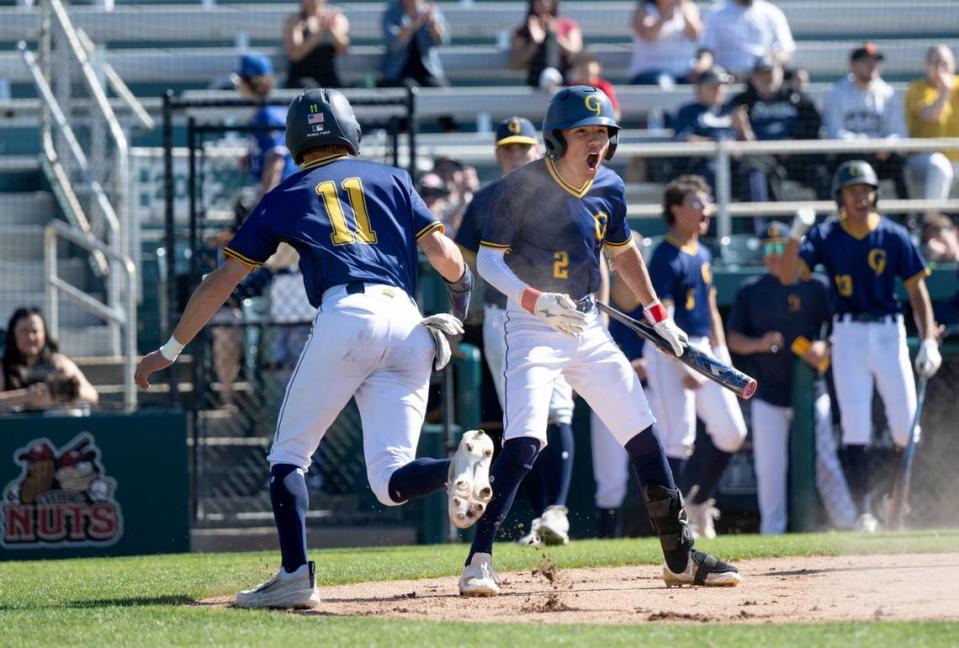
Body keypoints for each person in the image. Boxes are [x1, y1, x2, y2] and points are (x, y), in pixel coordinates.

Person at [135, 88, 484, 609]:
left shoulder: (287, 192)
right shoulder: (393, 178)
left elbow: (221, 281)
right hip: (408, 320)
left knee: (289, 456)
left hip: (347, 315)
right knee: (391, 480)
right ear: (350, 130)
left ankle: (296, 574)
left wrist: (170, 348)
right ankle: (453, 470)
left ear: (297, 140)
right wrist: (459, 305)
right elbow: (443, 256)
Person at [459, 86, 741, 596]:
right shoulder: (519, 187)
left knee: (643, 432)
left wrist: (658, 315)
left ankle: (680, 557)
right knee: (525, 440)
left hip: (586, 323)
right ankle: (479, 558)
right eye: (584, 132)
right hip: (532, 325)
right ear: (557, 138)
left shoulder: (608, 185)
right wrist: (532, 300)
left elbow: (623, 250)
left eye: (602, 133)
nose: (596, 141)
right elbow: (488, 261)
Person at [782, 160, 942, 532]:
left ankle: (896, 503)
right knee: (855, 427)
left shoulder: (894, 234)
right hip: (848, 333)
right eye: (853, 190)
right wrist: (796, 233)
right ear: (840, 197)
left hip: (889, 332)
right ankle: (863, 510)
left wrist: (929, 340)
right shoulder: (826, 235)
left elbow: (918, 291)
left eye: (867, 189)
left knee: (906, 429)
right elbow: (789, 275)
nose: (862, 197)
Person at [455, 116, 577, 547]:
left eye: (522, 146)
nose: (515, 154)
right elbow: (464, 260)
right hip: (500, 316)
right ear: (497, 154)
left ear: (539, 149)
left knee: (558, 409)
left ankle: (556, 511)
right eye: (507, 147)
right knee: (521, 420)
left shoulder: (560, 194)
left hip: (551, 313)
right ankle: (543, 518)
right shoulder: (486, 199)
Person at [726, 222, 857, 534]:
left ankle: (849, 523)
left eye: (780, 247)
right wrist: (758, 343)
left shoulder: (816, 285)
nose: (774, 255)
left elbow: (840, 328)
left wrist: (826, 345)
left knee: (826, 462)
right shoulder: (751, 290)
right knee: (770, 470)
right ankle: (773, 532)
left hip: (812, 391)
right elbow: (733, 338)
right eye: (767, 248)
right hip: (769, 395)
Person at [642, 176, 748, 539]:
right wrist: (679, 362)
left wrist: (722, 357)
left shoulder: (702, 252)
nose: (706, 209)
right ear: (676, 209)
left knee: (733, 433)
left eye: (706, 202)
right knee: (679, 437)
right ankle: (671, 525)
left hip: (704, 347)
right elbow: (662, 317)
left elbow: (713, 308)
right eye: (697, 202)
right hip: (669, 347)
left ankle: (699, 501)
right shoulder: (665, 254)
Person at [728, 56, 829, 209]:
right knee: (752, 167)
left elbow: (813, 127)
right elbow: (733, 139)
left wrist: (794, 144)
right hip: (760, 157)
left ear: (781, 72)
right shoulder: (741, 102)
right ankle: (758, 226)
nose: (766, 78)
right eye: (761, 73)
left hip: (796, 157)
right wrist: (744, 131)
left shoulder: (798, 98)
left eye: (770, 72)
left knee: (821, 171)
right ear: (753, 77)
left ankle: (826, 224)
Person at [823, 43, 911, 201]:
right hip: (849, 156)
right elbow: (835, 133)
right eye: (866, 61)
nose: (872, 66)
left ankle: (909, 219)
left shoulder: (887, 93)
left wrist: (887, 144)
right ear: (852, 65)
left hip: (882, 154)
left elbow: (899, 132)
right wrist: (867, 144)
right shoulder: (836, 93)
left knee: (899, 163)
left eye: (875, 62)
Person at [1, 307, 98, 413]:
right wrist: (26, 397)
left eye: (35, 331)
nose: (31, 337)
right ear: (13, 334)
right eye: (24, 331)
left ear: (44, 333)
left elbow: (92, 395)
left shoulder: (58, 362)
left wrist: (58, 392)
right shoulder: (3, 366)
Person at [905, 45, 959, 203]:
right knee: (940, 166)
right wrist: (945, 91)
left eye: (945, 63)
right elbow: (931, 116)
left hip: (956, 160)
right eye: (936, 63)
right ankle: (931, 221)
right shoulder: (917, 88)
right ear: (926, 66)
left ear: (953, 65)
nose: (941, 68)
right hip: (922, 159)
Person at [701, 0, 795, 79]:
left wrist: (770, 57)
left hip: (763, 75)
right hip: (728, 77)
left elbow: (785, 52)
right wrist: (702, 66)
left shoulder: (772, 12)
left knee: (797, 76)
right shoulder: (716, 13)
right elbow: (707, 50)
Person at [629, 0, 704, 87]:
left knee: (708, 81)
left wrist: (686, 15)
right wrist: (664, 17)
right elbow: (647, 36)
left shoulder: (689, 7)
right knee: (663, 83)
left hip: (686, 72)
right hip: (650, 73)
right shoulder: (644, 9)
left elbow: (695, 34)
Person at [511, 0, 582, 89]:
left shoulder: (568, 26)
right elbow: (517, 64)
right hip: (536, 80)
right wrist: (535, 43)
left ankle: (551, 73)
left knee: (550, 37)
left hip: (563, 77)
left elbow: (577, 53)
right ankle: (548, 75)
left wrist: (555, 35)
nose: (544, 3)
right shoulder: (523, 31)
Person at [381, 0, 449, 88]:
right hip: (398, 71)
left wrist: (432, 23)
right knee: (409, 88)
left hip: (427, 69)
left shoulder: (430, 11)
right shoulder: (392, 12)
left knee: (440, 88)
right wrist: (414, 23)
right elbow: (394, 43)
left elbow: (440, 41)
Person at [283, 0, 349, 89]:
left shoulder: (336, 19)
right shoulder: (294, 21)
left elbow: (344, 49)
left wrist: (331, 30)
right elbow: (295, 55)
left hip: (328, 77)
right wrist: (319, 32)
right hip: (301, 78)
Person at [569, 51, 621, 123]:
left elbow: (615, 113)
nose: (588, 76)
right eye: (584, 72)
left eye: (590, 74)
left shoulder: (603, 87)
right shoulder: (573, 88)